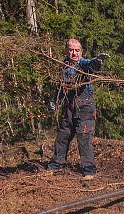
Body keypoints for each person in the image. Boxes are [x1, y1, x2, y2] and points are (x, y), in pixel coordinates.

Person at [47, 39, 108, 177]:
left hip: (85, 107)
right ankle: (56, 165)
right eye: (71, 50)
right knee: (62, 136)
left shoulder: (83, 64)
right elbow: (59, 87)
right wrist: (54, 100)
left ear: (81, 52)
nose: (74, 53)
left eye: (77, 50)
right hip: (69, 106)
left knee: (84, 138)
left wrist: (97, 61)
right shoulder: (63, 66)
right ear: (67, 51)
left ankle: (88, 170)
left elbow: (91, 65)